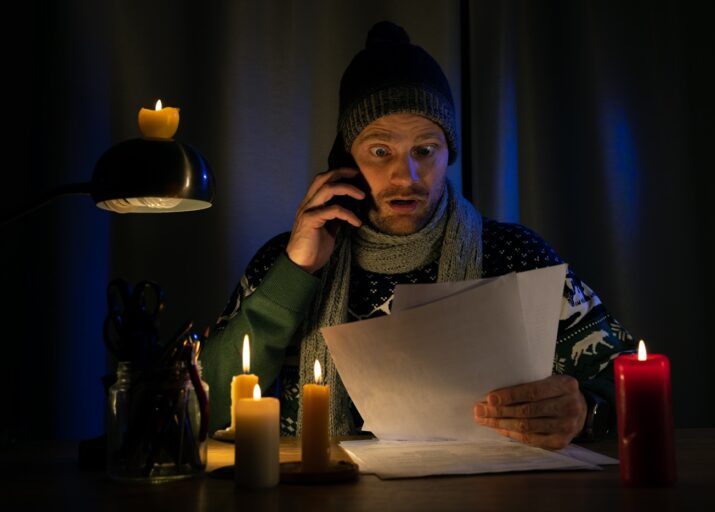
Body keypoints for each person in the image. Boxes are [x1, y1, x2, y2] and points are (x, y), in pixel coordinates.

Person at [200, 20, 634, 449]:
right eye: (380, 150)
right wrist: (295, 272)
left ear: (448, 154)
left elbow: (632, 378)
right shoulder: (285, 261)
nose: (404, 175)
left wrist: (582, 410)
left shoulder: (515, 256)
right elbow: (208, 404)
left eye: (425, 150)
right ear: (344, 158)